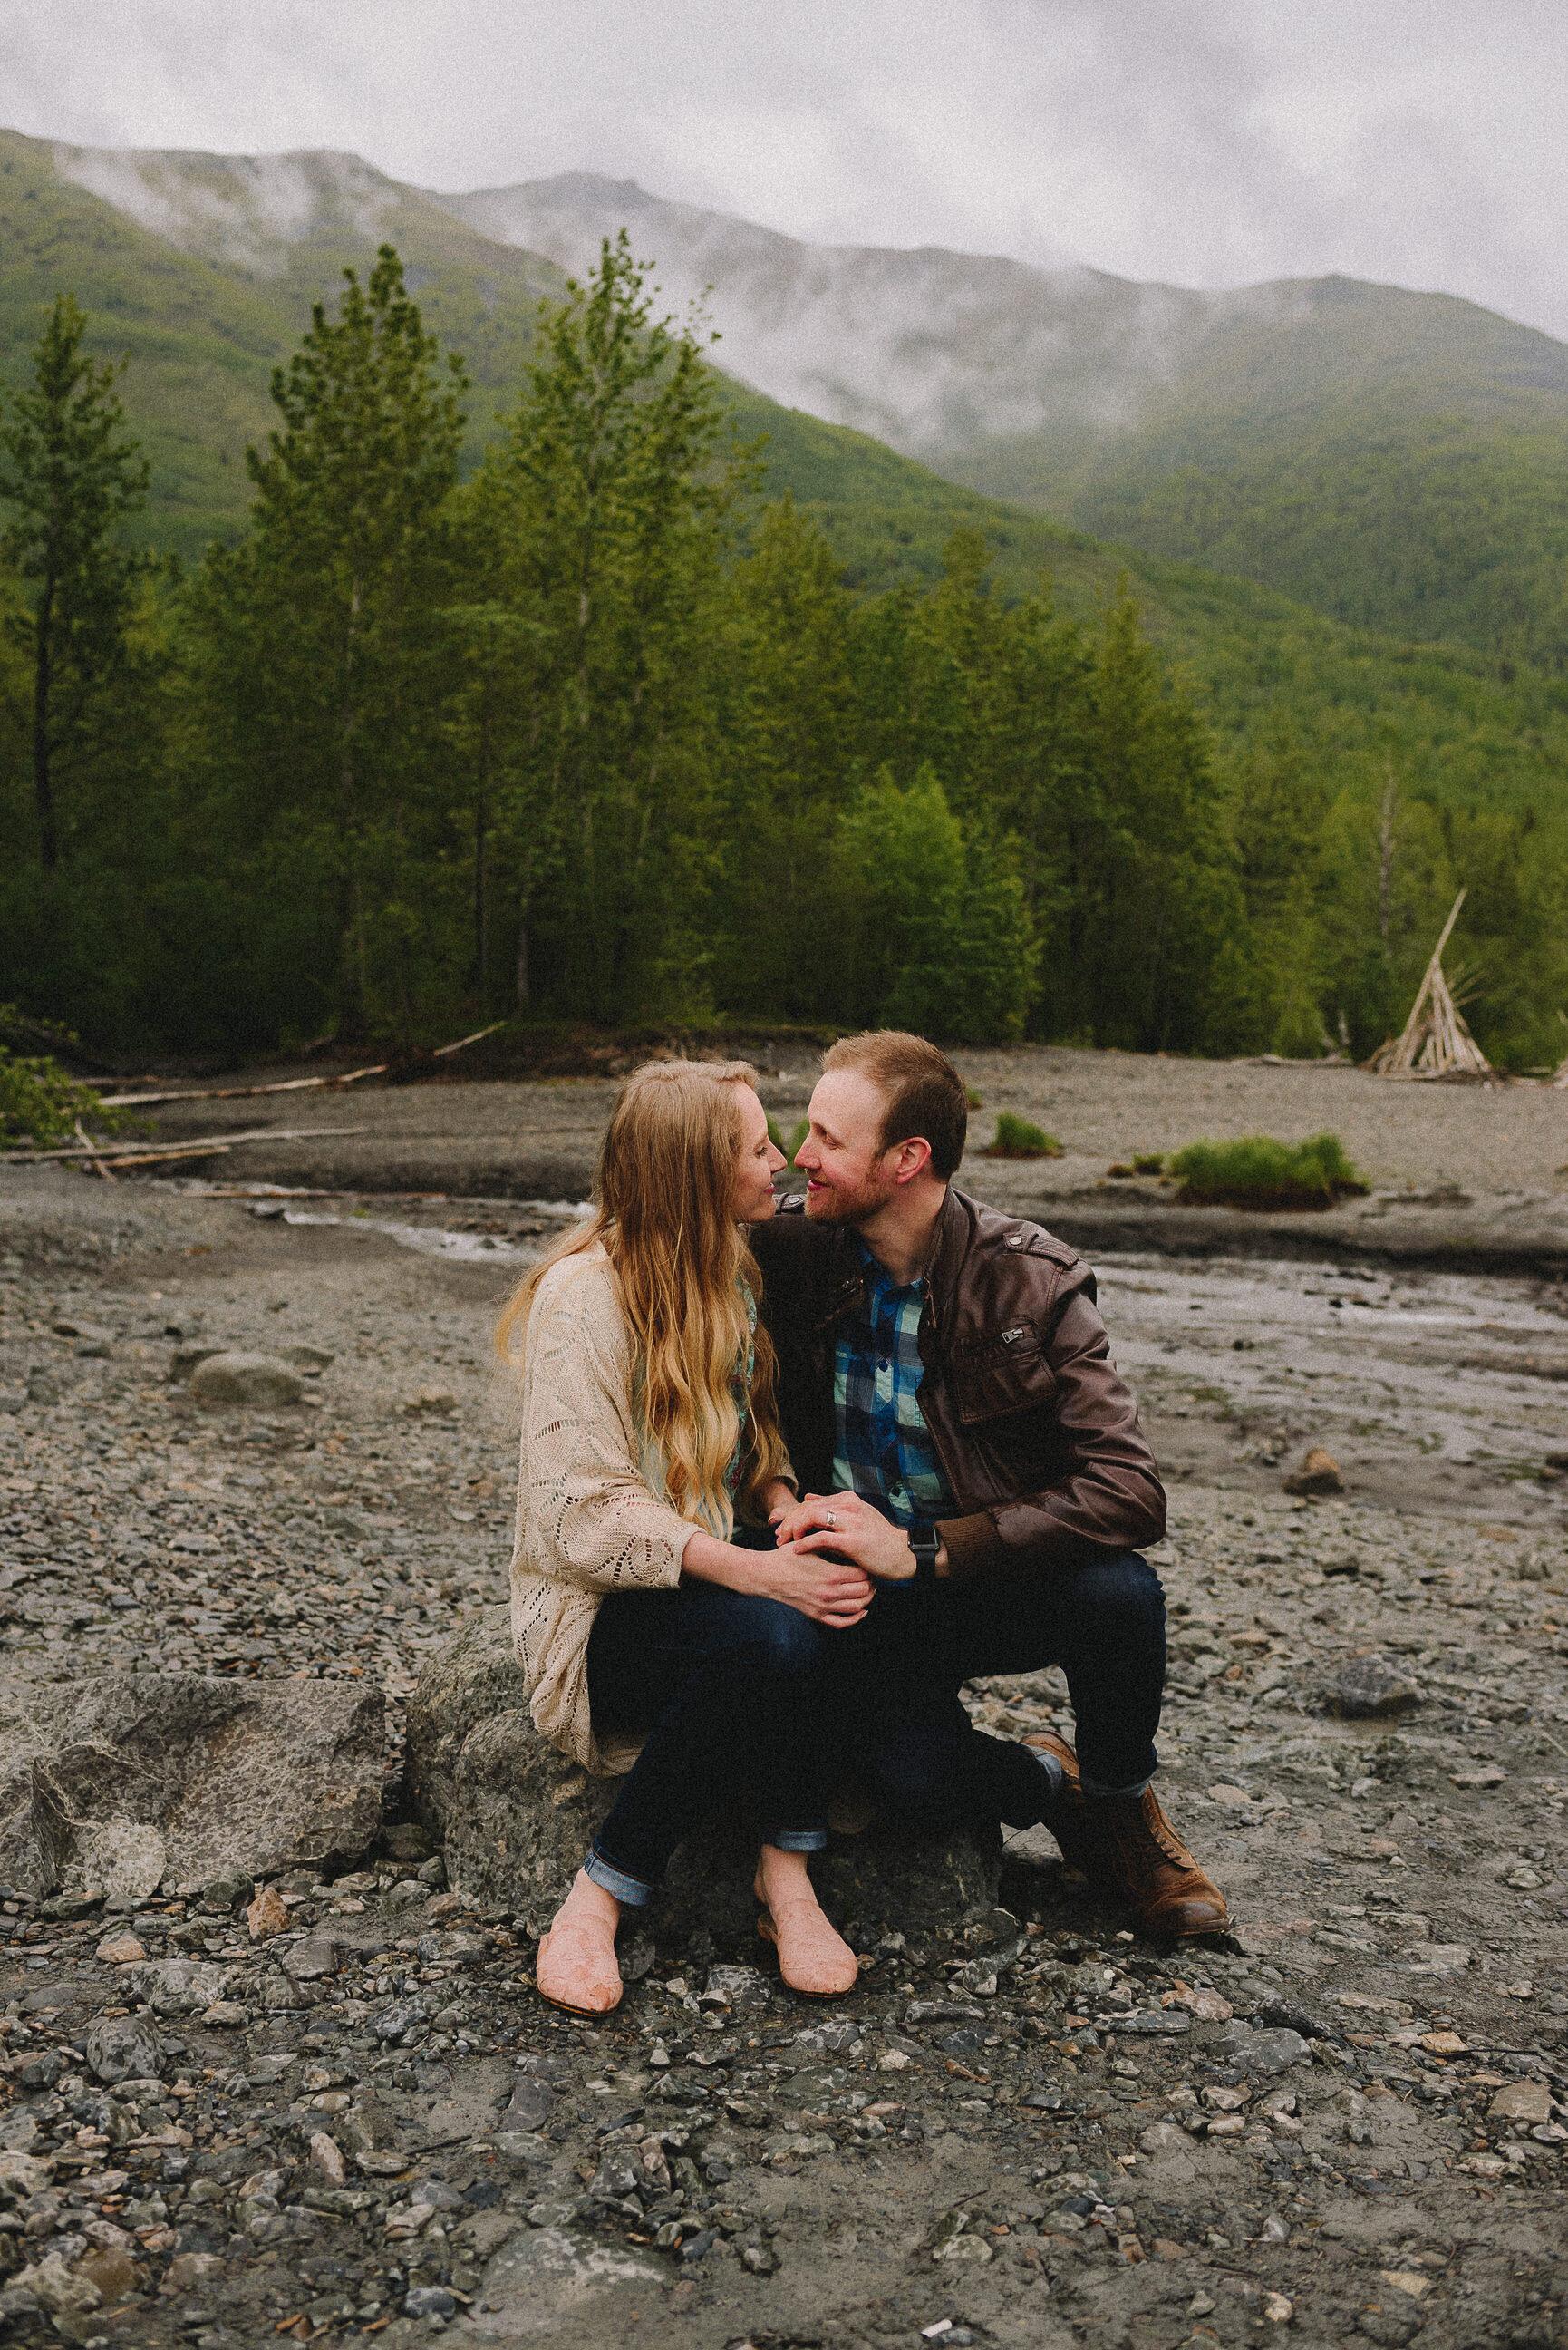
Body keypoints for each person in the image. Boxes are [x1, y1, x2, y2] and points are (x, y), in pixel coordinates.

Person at [751, 1030, 1229, 1939]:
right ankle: (1052, 1782)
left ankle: (1124, 1811)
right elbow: (648, 1236)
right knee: (909, 1784)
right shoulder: (793, 1248)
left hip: (978, 1580)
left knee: (1119, 1594)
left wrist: (925, 1549)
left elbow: (1128, 1491)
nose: (798, 1157)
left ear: (907, 1160)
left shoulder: (1030, 1281)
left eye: (824, 1138)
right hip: (858, 1602)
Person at [497, 1059, 872, 2018]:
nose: (783, 1158)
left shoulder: (729, 1273)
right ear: (695, 1175)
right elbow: (580, 1520)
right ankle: (602, 1895)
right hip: (598, 1622)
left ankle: (783, 1872)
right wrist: (755, 1572)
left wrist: (784, 1504)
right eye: (756, 1147)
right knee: (775, 1630)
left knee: (837, 1592)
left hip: (694, 1588)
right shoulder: (582, 1299)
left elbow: (751, 1439)